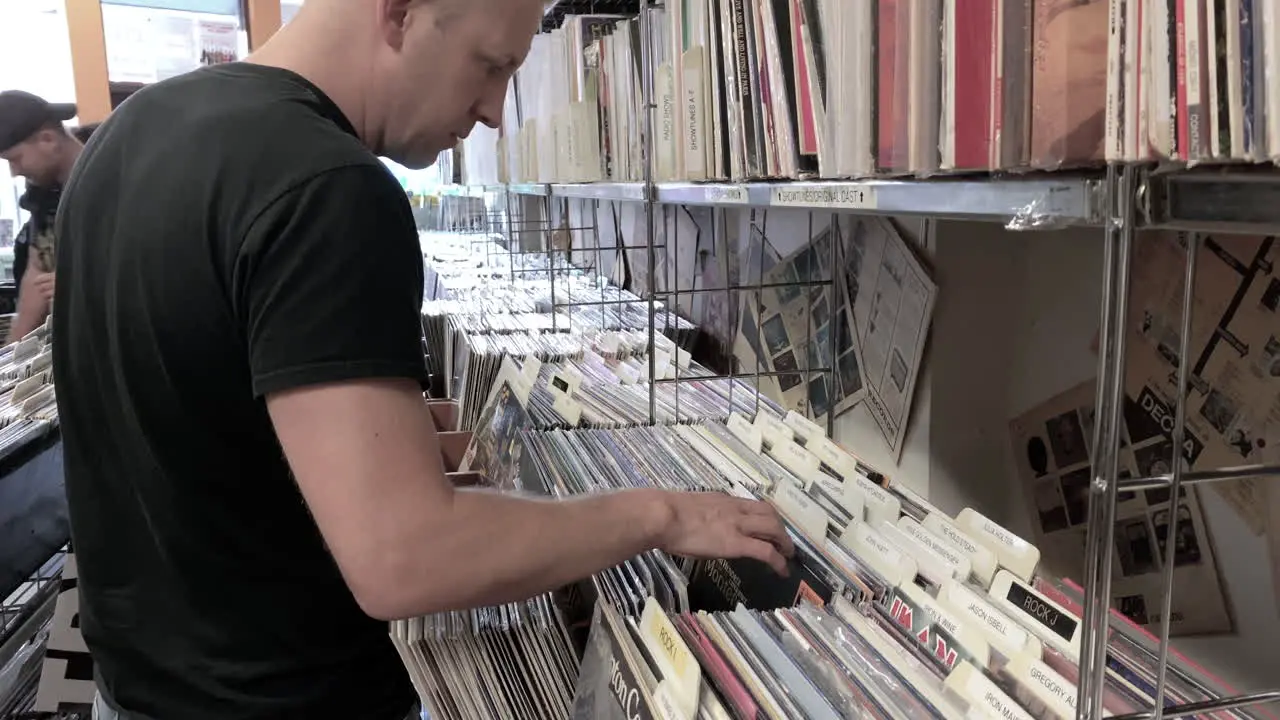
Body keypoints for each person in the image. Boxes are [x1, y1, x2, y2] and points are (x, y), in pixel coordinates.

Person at [52, 1, 795, 719]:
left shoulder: (125, 136)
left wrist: (384, 437)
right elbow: (404, 559)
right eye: (490, 64)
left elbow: (179, 424)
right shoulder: (327, 188)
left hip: (134, 694)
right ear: (399, 12)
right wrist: (658, 513)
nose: (496, 110)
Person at [0, 91, 83, 343]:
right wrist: (12, 355)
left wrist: (82, 284)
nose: (14, 172)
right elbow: (38, 269)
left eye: (15, 159)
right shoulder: (43, 195)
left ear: (47, 140)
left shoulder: (115, 180)